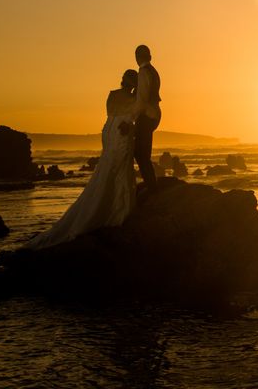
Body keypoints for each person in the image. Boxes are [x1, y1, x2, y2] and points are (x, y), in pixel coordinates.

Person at [24, 70, 139, 250]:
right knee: (117, 167)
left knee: (110, 167)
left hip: (110, 131)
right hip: (119, 132)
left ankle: (114, 205)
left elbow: (115, 114)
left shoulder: (114, 96)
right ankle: (116, 210)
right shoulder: (129, 99)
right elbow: (128, 114)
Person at [133, 44, 161, 193]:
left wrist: (132, 117)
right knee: (144, 152)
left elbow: (141, 100)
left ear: (137, 57)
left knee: (141, 153)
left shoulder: (143, 72)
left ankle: (151, 186)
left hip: (147, 115)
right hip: (155, 114)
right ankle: (151, 184)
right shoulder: (153, 71)